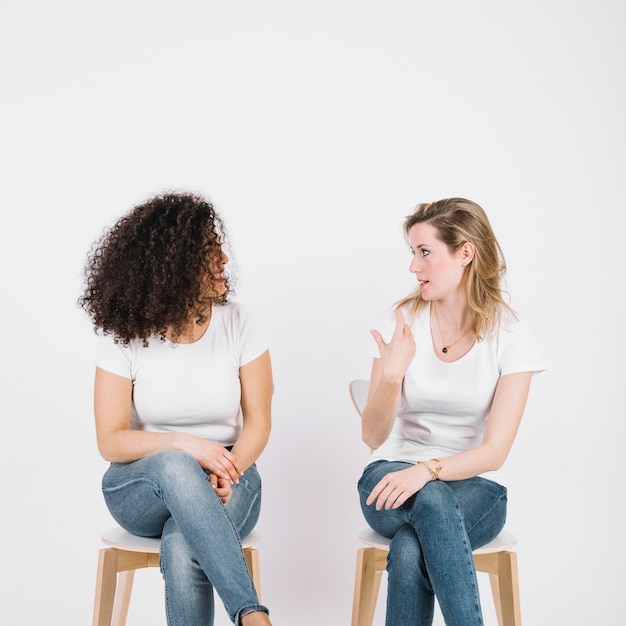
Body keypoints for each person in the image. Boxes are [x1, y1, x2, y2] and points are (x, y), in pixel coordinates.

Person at [79, 192, 273, 626]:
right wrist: (186, 446)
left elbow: (259, 423)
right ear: (172, 264)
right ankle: (253, 615)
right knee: (172, 462)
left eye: (219, 246)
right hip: (139, 486)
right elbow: (110, 440)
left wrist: (226, 468)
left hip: (232, 474)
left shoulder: (239, 321)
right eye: (208, 251)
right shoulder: (123, 336)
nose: (224, 259)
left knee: (184, 540)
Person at [357, 198, 545, 626]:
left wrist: (426, 470)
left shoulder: (512, 335)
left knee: (409, 548)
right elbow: (371, 435)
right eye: (412, 252)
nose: (413, 267)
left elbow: (495, 451)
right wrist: (390, 377)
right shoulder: (400, 324)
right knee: (431, 505)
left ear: (465, 253)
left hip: (474, 487)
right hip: (387, 479)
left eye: (425, 252)